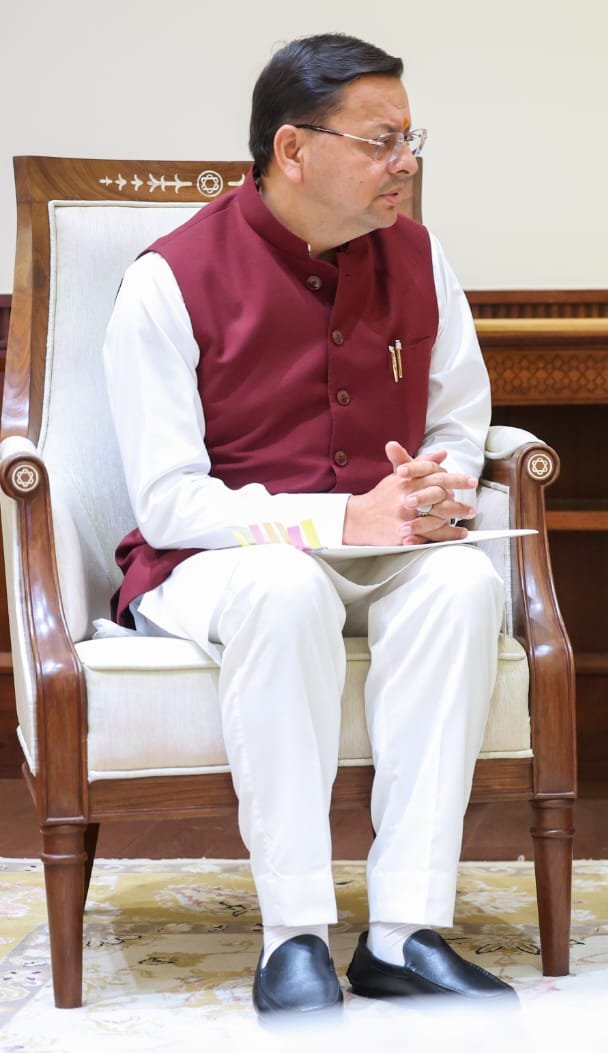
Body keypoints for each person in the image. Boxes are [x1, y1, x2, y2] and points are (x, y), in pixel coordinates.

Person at [101, 33, 516, 1017]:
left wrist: (437, 487)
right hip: (218, 561)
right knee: (287, 589)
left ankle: (405, 932)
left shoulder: (419, 256)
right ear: (293, 149)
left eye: (409, 138)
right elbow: (169, 500)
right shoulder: (167, 279)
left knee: (464, 581)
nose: (404, 162)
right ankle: (293, 933)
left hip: (382, 550)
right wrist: (341, 517)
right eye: (380, 141)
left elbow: (459, 418)